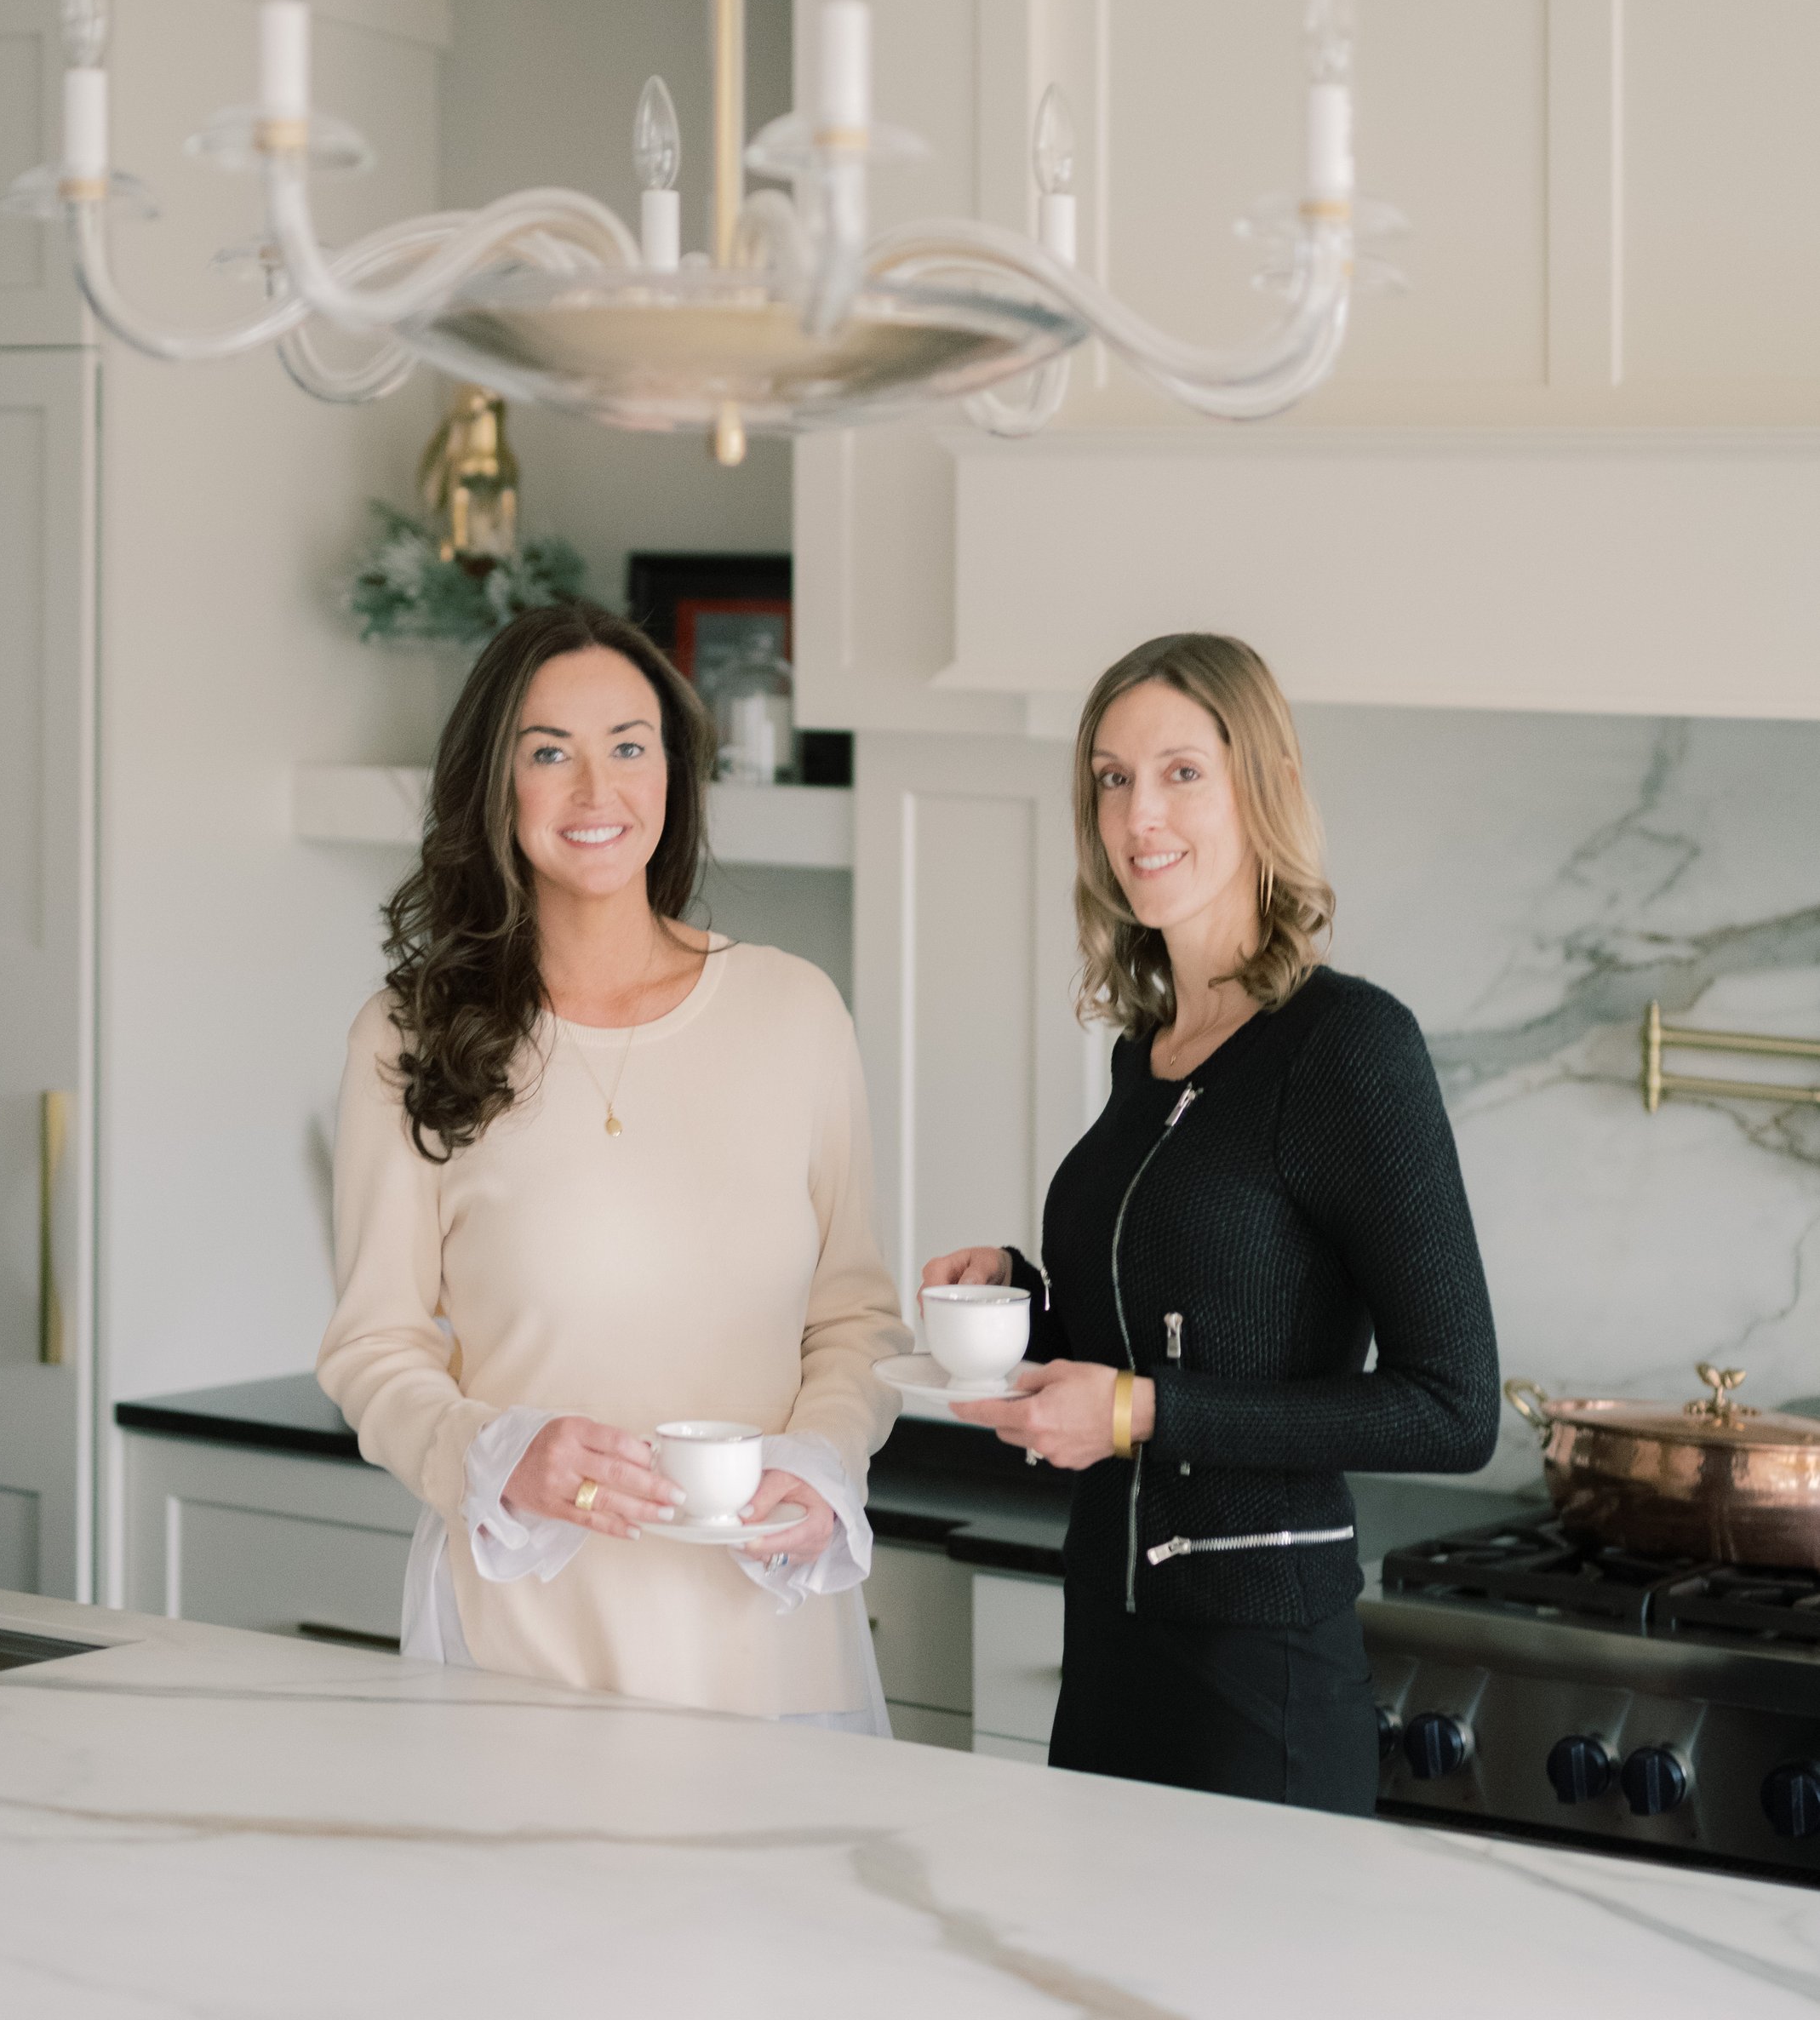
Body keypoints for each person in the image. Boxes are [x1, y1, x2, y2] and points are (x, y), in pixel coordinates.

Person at [923, 631, 1498, 1814]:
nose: (1140, 815)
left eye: (1181, 770)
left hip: (1261, 1678)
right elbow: (1186, 1313)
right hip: (1112, 1642)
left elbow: (1456, 1406)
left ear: (1263, 785)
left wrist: (1140, 1410)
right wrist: (1022, 1298)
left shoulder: (1347, 1047)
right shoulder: (1152, 1052)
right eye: (1112, 777)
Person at [318, 599, 906, 1731]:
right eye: (551, 753)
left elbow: (856, 1321)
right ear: (496, 784)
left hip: (766, 1637)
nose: (597, 792)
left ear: (674, 775)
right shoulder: (407, 1036)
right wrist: (494, 1455)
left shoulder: (795, 1013)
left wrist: (825, 1465)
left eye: (629, 747)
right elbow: (373, 1347)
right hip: (526, 1644)